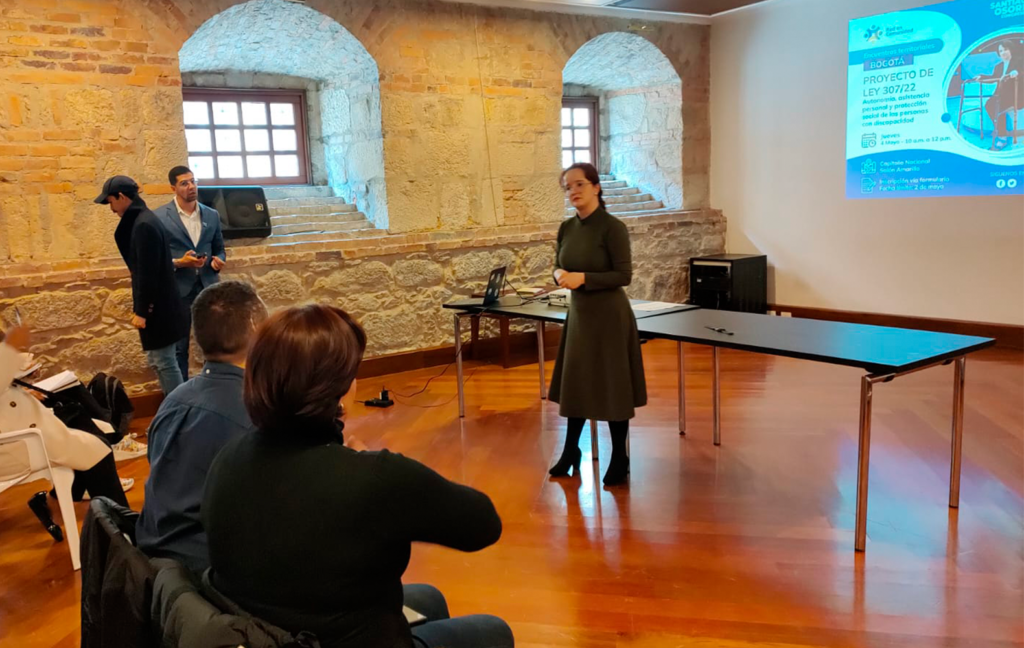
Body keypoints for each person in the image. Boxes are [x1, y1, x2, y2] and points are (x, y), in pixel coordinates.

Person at [202, 305, 514, 648]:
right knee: (494, 630)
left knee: (429, 598)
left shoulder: (226, 459)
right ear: (338, 386)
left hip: (265, 635)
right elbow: (484, 525)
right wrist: (375, 467)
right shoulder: (373, 478)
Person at [136, 281, 267, 573]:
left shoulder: (174, 400)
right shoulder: (256, 415)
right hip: (205, 568)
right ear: (256, 327)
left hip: (153, 551)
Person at [547, 162, 647, 486]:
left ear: (596, 187)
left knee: (612, 385)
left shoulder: (612, 228)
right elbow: (558, 265)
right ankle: (570, 450)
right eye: (568, 187)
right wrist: (559, 275)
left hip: (609, 317)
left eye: (579, 184)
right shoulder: (566, 228)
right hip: (579, 317)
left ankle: (620, 455)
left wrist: (583, 278)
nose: (573, 191)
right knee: (577, 383)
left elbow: (624, 276)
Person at [0, 325, 130, 538]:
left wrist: (21, 382)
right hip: (15, 441)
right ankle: (119, 533)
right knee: (98, 451)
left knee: (85, 428)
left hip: (21, 424)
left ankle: (62, 504)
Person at [95, 175, 187, 396]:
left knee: (164, 362)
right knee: (160, 361)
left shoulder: (144, 224)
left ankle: (181, 411)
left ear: (122, 196)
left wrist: (142, 311)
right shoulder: (142, 220)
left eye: (111, 201)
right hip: (160, 304)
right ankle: (176, 409)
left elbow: (147, 272)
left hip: (159, 307)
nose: (111, 208)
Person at [155, 166, 226, 380]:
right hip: (178, 290)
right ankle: (182, 394)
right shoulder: (159, 217)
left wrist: (220, 260)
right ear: (173, 188)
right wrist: (179, 262)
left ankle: (213, 388)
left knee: (214, 344)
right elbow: (156, 258)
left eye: (193, 181)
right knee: (179, 348)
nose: (191, 186)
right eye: (184, 183)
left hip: (208, 287)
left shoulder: (211, 215)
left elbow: (220, 248)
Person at [981, 41, 1023, 149]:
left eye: (1005, 49)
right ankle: (1002, 134)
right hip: (1001, 95)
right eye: (1001, 51)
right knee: (989, 105)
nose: (1003, 52)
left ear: (1011, 49)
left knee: (997, 107)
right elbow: (993, 78)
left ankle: (1002, 137)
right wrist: (981, 77)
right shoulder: (998, 66)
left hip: (1016, 94)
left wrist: (1017, 73)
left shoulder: (1019, 61)